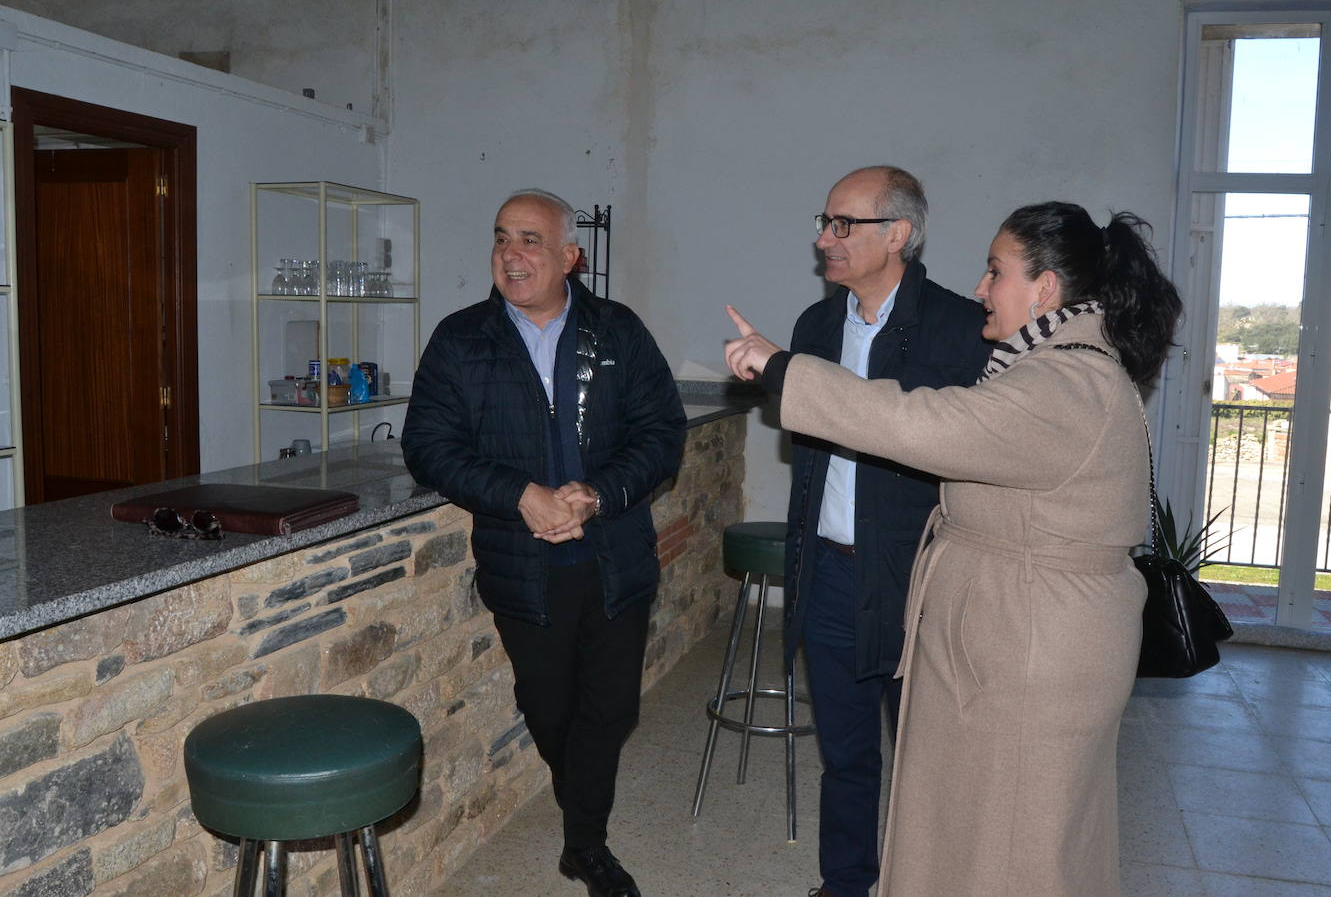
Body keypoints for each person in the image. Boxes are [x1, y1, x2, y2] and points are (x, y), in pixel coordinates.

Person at [725, 201, 1182, 896]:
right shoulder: (1058, 366)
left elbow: (923, 422)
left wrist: (785, 370)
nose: (980, 288)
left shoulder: (1065, 382)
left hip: (1034, 648)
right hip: (1028, 630)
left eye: (996, 272)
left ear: (1046, 289)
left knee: (1014, 846)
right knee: (1002, 834)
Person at [403, 188, 685, 897]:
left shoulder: (618, 331)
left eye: (530, 239)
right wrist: (520, 495)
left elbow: (661, 434)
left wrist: (597, 493)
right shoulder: (461, 339)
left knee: (613, 708)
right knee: (549, 706)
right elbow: (428, 447)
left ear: (570, 256)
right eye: (502, 237)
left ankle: (584, 844)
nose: (511, 253)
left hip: (613, 553)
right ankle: (586, 822)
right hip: (522, 563)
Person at [786, 166, 988, 897]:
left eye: (844, 224)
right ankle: (845, 885)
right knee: (845, 755)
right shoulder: (815, 327)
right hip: (830, 577)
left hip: (921, 582)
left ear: (896, 234)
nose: (824, 239)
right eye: (825, 221)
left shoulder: (962, 331)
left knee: (929, 761)